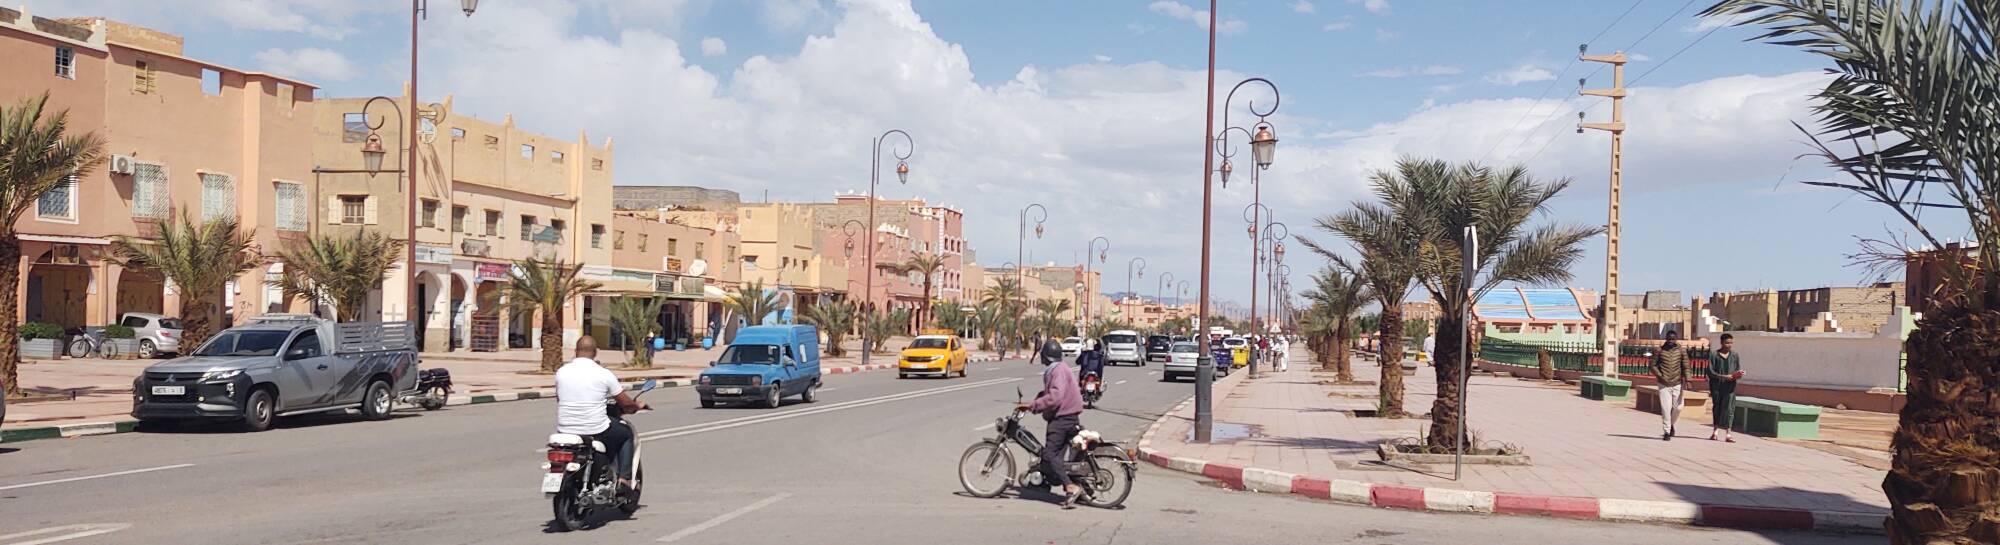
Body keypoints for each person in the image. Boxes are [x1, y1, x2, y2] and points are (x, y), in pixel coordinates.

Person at [554, 337, 649, 488]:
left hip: (565, 429)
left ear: (575, 351)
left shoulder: (561, 372)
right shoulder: (603, 374)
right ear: (596, 352)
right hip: (595, 429)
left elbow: (560, 398)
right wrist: (636, 405)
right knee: (626, 434)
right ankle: (624, 479)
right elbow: (624, 402)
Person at [1023, 338, 1085, 509]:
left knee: (1049, 455)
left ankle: (1070, 486)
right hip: (1070, 416)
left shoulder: (1056, 371)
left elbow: (1056, 396)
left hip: (1062, 419)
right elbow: (1052, 392)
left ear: (1046, 357)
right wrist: (1038, 399)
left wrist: (1036, 405)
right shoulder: (1061, 367)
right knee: (1057, 457)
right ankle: (1045, 483)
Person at [1650, 330, 1691, 441]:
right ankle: (1667, 431)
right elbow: (1652, 366)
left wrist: (1688, 380)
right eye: (1669, 339)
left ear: (1676, 339)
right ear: (1666, 339)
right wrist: (1660, 375)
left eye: (1673, 339)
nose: (1671, 341)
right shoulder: (1659, 351)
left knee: (1678, 407)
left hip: (1677, 382)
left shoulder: (1682, 351)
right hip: (1663, 383)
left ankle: (1671, 424)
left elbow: (1686, 366)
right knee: (1666, 408)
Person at [1707, 333, 1747, 442]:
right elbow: (1710, 372)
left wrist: (1737, 374)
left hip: (1730, 387)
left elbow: (1737, 369)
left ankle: (1728, 433)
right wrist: (1724, 376)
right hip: (1717, 386)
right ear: (1721, 343)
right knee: (1717, 407)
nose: (1729, 345)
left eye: (1731, 343)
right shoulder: (1714, 355)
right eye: (1727, 342)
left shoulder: (1734, 355)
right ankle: (1715, 431)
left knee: (1729, 408)